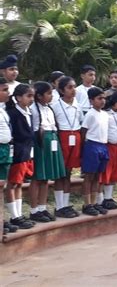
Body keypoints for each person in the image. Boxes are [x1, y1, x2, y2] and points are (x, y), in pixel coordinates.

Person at [29, 81, 66, 223]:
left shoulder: (49, 108)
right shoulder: (33, 109)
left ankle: (42, 207)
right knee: (37, 177)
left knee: (46, 177)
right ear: (39, 96)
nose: (51, 96)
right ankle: (33, 210)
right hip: (40, 142)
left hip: (52, 140)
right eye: (48, 93)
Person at [5, 84, 35, 229]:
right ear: (18, 98)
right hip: (17, 152)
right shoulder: (13, 113)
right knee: (12, 184)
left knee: (19, 184)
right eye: (28, 96)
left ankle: (19, 214)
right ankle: (14, 216)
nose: (31, 99)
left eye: (32, 96)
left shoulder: (29, 112)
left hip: (26, 152)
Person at [51, 76, 82, 218]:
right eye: (69, 87)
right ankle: (59, 206)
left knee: (68, 173)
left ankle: (66, 204)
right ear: (62, 90)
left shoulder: (77, 104)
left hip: (75, 136)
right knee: (60, 173)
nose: (73, 90)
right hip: (62, 137)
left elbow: (81, 121)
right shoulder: (56, 106)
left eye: (74, 86)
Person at [80, 87, 109, 216]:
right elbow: (84, 131)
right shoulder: (90, 114)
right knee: (89, 176)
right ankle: (87, 204)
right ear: (91, 101)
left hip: (103, 145)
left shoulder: (105, 114)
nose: (102, 101)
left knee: (98, 176)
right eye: (99, 98)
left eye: (104, 98)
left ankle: (95, 202)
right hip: (92, 145)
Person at [99, 91, 117, 210]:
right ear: (116, 104)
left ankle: (109, 197)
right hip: (108, 145)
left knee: (114, 172)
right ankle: (100, 200)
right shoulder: (106, 115)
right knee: (105, 172)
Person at [0, 78, 17, 234]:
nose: (8, 93)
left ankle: (2, 220)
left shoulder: (3, 108)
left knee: (2, 185)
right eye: (4, 90)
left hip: (6, 150)